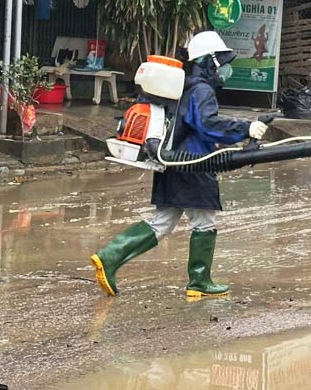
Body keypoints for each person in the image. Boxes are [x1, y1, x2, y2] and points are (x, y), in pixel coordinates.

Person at [90, 31, 269, 300]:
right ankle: (200, 281)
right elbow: (207, 125)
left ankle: (109, 257)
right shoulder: (202, 90)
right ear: (210, 61)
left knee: (162, 222)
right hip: (193, 163)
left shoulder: (184, 86)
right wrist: (247, 128)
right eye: (222, 61)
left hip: (171, 161)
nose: (226, 68)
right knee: (205, 221)